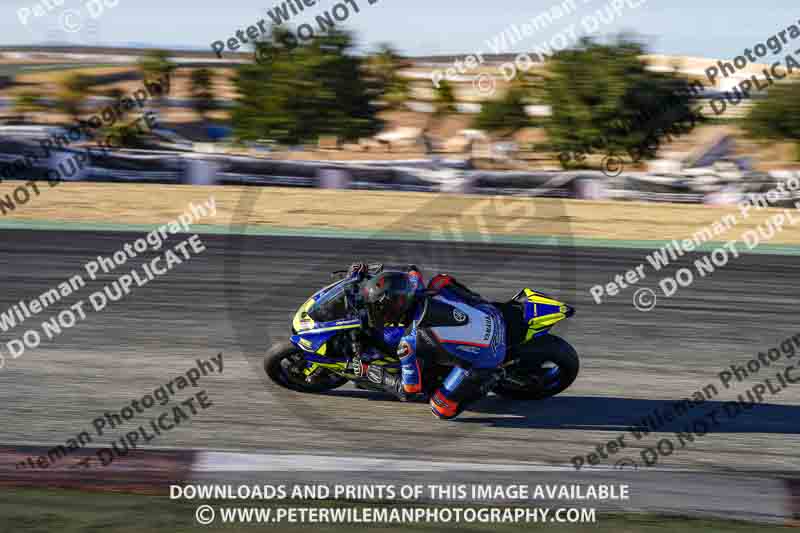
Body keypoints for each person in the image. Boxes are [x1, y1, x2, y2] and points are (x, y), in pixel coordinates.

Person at [347, 263, 498, 419]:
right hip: (490, 313)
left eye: (377, 308)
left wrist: (368, 371)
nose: (375, 312)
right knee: (440, 282)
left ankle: (491, 378)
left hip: (490, 353)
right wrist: (368, 274)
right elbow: (411, 269)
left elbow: (409, 391)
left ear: (392, 307)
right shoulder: (414, 286)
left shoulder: (408, 342)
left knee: (440, 408)